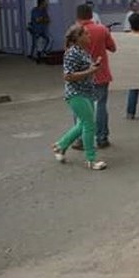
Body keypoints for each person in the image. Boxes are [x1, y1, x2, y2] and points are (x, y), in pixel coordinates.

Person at [51, 24, 107, 171]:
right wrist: (91, 70)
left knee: (82, 124)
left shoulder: (83, 51)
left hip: (86, 92)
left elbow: (84, 69)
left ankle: (60, 145)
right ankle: (91, 159)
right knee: (89, 124)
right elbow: (68, 76)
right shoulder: (72, 53)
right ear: (78, 38)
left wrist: (93, 67)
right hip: (76, 94)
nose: (89, 36)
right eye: (86, 34)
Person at [74, 3, 116, 150]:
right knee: (101, 106)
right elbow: (113, 48)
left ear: (77, 16)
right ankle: (102, 138)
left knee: (80, 108)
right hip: (100, 73)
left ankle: (80, 139)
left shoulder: (74, 32)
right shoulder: (102, 29)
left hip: (80, 75)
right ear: (92, 15)